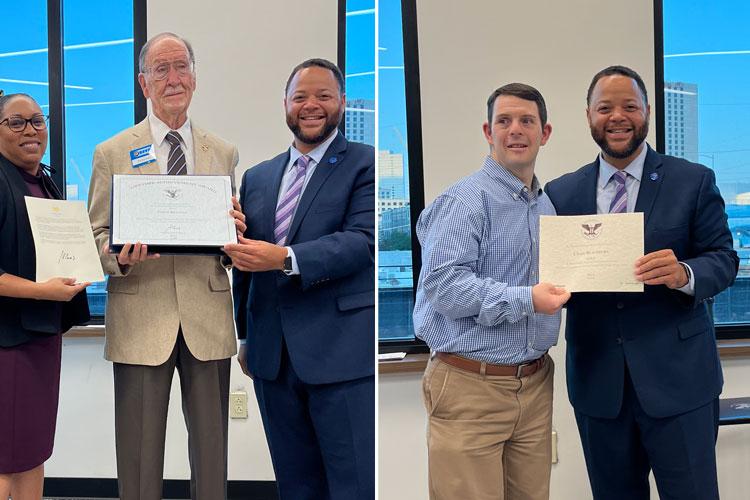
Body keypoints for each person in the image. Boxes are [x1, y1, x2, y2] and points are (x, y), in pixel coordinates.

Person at [545, 65, 738, 500]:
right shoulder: (560, 193)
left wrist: (685, 274)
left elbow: (724, 260)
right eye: (605, 108)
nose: (617, 117)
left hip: (681, 382)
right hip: (598, 386)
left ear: (647, 112)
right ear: (588, 116)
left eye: (629, 106)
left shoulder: (692, 180)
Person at [87, 33, 240, 500]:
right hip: (140, 317)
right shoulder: (111, 152)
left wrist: (235, 234)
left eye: (181, 67)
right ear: (143, 83)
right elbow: (95, 238)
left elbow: (229, 239)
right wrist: (119, 258)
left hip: (207, 318)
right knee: (137, 457)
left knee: (213, 459)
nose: (173, 79)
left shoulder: (223, 152)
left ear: (194, 76)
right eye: (161, 70)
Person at [224, 58, 375, 500]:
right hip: (272, 357)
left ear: (342, 103)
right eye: (300, 97)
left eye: (323, 96)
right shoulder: (258, 176)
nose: (311, 105)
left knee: (353, 483)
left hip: (341, 353)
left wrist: (285, 257)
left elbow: (362, 242)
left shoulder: (363, 163)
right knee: (295, 484)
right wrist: (246, 336)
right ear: (285, 104)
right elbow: (246, 265)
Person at [412, 83, 570, 500]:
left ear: (545, 133)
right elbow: (445, 287)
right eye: (504, 121)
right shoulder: (466, 201)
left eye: (526, 121)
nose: (515, 130)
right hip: (470, 388)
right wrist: (528, 299)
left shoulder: (545, 205)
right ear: (488, 131)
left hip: (534, 384)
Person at [0, 92, 90, 500]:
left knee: (34, 450)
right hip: (7, 342)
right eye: (16, 122)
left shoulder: (45, 180)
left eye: (37, 120)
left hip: (41, 337)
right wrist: (41, 292)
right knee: (4, 458)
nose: (31, 130)